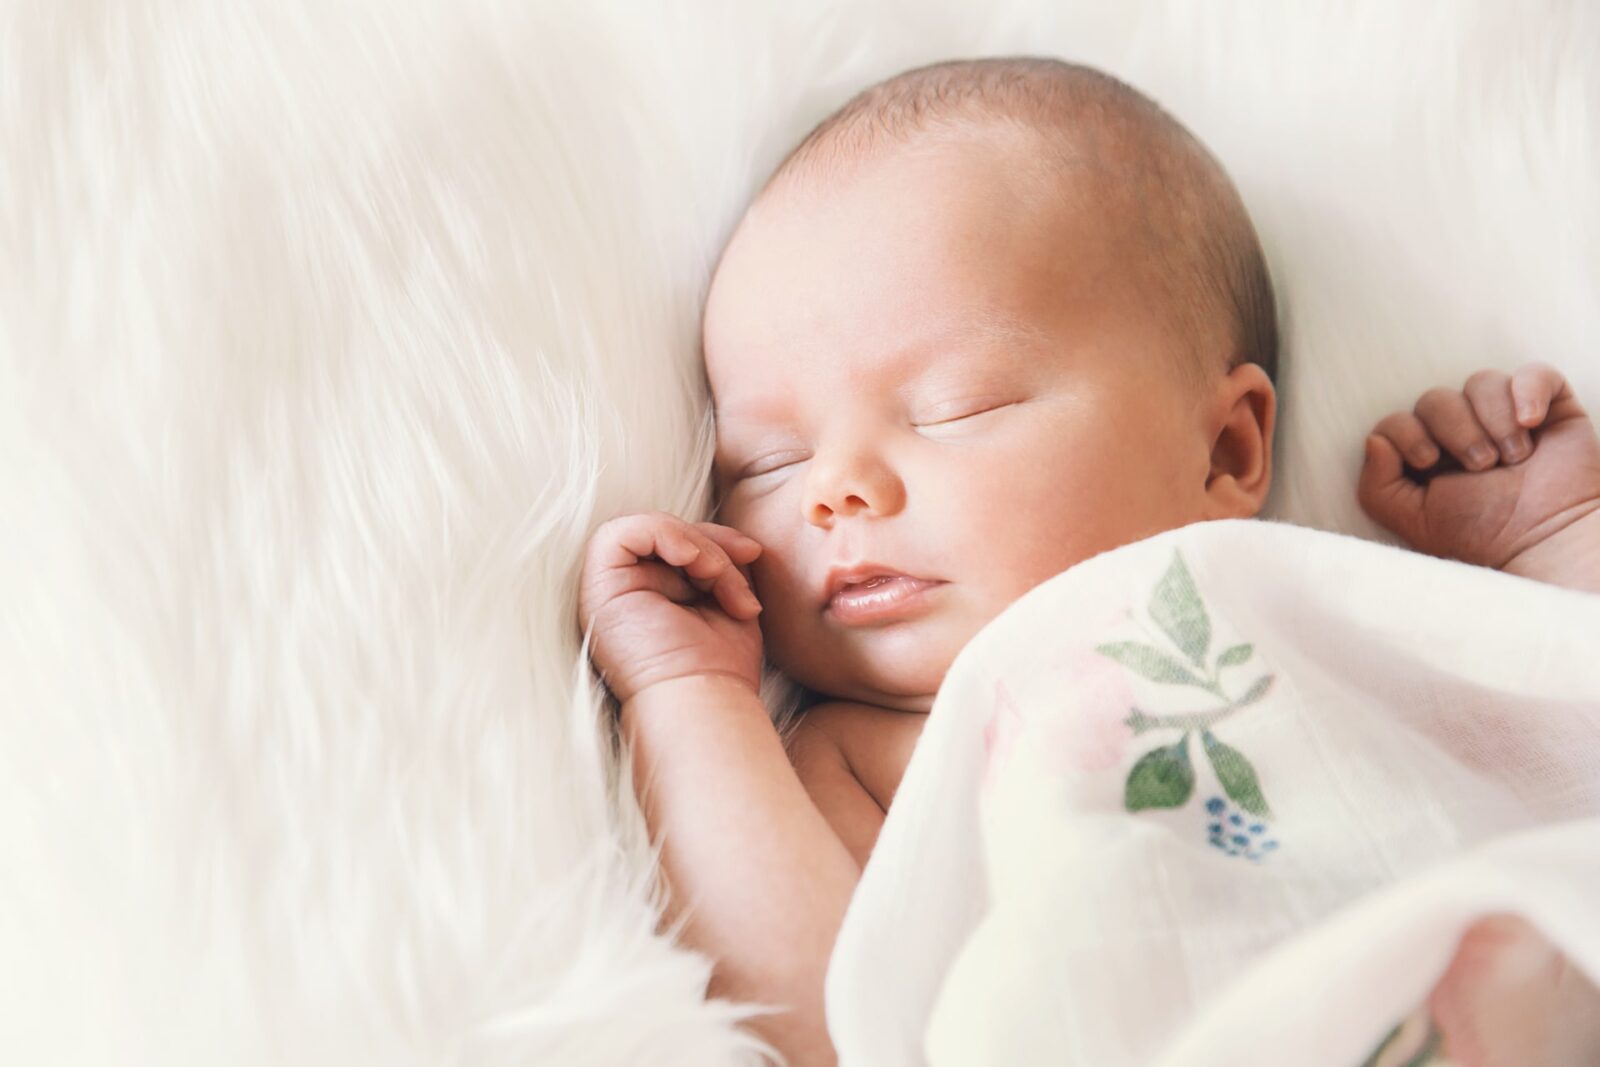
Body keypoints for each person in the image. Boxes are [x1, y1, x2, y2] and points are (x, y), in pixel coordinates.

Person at [575, 56, 1600, 1067]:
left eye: (956, 406)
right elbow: (817, 1011)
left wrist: (1553, 541)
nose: (830, 489)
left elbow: (1563, 739)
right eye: (768, 460)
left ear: (1226, 449)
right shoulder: (873, 754)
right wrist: (687, 693)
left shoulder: (1304, 598)